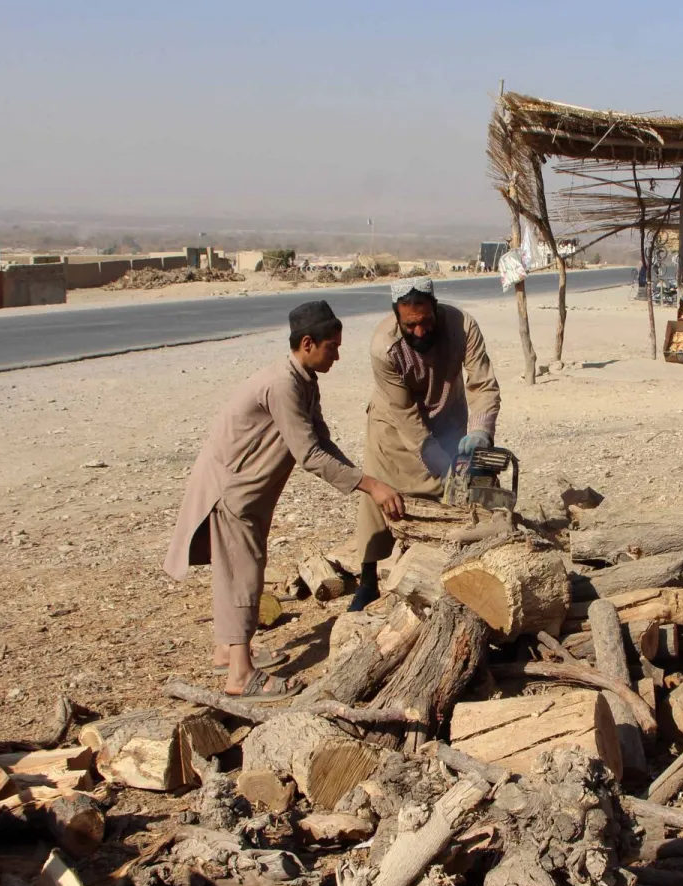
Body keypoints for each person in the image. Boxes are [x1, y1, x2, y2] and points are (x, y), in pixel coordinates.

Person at [164, 300, 404, 697]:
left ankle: (228, 649)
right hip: (233, 488)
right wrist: (371, 487)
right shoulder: (282, 384)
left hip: (249, 491)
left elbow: (321, 440)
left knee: (237, 568)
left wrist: (369, 479)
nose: (338, 356)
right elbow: (309, 455)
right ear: (307, 343)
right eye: (332, 347)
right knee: (244, 571)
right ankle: (240, 676)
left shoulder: (304, 381)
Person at [347, 277, 501, 610]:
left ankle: (459, 563)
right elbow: (405, 415)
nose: (419, 331)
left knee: (464, 490)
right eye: (410, 325)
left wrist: (480, 432)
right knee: (380, 500)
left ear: (435, 308)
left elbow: (483, 385)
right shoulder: (383, 347)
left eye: (426, 322)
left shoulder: (462, 326)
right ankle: (368, 579)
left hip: (449, 415)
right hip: (394, 428)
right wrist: (441, 463)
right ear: (397, 318)